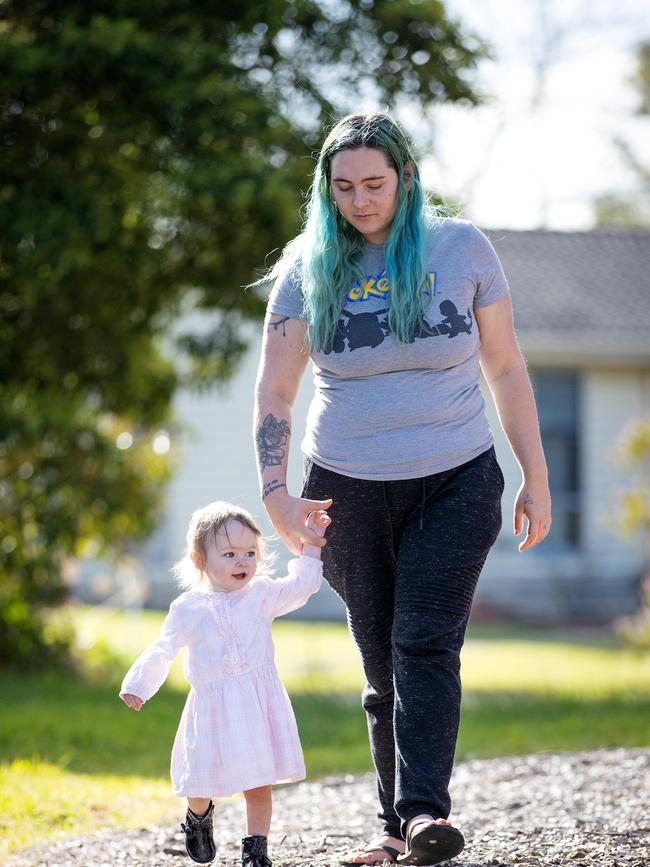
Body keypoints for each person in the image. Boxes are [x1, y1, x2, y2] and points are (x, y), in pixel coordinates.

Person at [253, 112, 551, 866]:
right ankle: (393, 830)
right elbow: (275, 394)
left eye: (375, 184)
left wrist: (534, 478)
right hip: (344, 491)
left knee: (423, 639)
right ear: (328, 188)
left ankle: (424, 815)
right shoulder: (307, 267)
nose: (360, 201)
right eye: (344, 186)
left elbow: (507, 368)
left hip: (456, 478)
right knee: (382, 662)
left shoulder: (462, 249)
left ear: (407, 179)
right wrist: (275, 494)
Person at [119, 500, 330, 867]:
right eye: (229, 554)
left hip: (256, 706)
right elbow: (163, 648)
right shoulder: (189, 608)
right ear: (201, 560)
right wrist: (139, 683)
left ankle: (255, 851)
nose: (242, 562)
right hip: (212, 711)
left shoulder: (261, 595)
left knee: (259, 785)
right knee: (200, 783)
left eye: (250, 552)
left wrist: (311, 544)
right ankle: (198, 818)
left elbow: (302, 585)